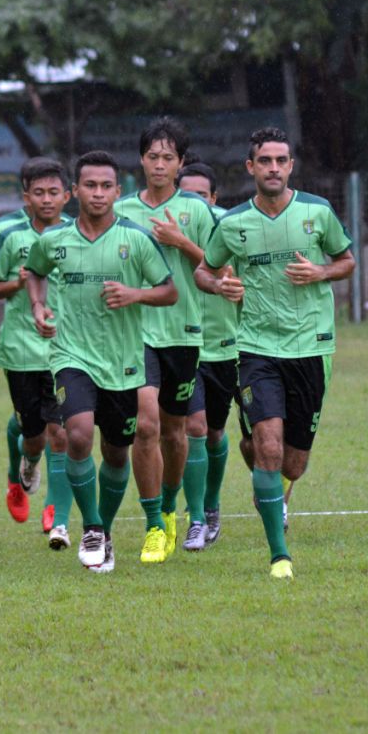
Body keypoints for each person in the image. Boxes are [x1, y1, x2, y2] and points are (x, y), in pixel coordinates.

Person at [196, 127, 354, 579]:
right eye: (264, 160)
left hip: (312, 347)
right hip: (256, 348)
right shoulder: (233, 224)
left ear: (290, 166)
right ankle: (279, 555)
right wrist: (219, 283)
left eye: (280, 160)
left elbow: (347, 262)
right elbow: (204, 271)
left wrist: (321, 271)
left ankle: (276, 488)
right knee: (267, 447)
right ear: (251, 167)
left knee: (293, 462)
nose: (273, 168)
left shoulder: (317, 212)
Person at [26, 151, 177, 573]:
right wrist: (39, 306)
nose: (97, 193)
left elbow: (169, 291)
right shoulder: (54, 240)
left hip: (123, 362)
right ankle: (91, 526)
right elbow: (34, 272)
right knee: (76, 435)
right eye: (89, 186)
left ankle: (104, 532)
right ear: (75, 191)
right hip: (70, 355)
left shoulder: (136, 239)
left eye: (105, 186)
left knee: (115, 454)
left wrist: (135, 295)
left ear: (117, 190)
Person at [113, 118, 216, 563]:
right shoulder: (122, 211)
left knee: (177, 434)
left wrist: (181, 241)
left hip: (184, 332)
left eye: (168, 157)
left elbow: (218, 268)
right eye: (152, 156)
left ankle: (172, 506)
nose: (159, 164)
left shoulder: (196, 210)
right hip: (136, 333)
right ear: (141, 160)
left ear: (180, 163)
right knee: (148, 424)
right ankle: (154, 522)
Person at [0, 157, 74, 548]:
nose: (47, 199)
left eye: (54, 192)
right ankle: (20, 465)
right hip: (20, 349)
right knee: (33, 435)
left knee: (63, 433)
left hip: (68, 349)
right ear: (26, 196)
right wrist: (16, 284)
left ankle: (57, 515)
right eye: (39, 192)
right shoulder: (6, 233)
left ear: (68, 196)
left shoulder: (79, 233)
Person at [176, 162, 245, 549]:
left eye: (201, 195)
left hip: (226, 345)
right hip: (182, 345)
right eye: (187, 194)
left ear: (214, 199)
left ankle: (212, 502)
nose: (194, 202)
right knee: (195, 427)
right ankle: (196, 517)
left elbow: (234, 272)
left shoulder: (230, 228)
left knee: (216, 432)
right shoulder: (162, 230)